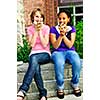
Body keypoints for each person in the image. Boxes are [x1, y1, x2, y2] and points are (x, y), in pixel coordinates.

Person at [17, 8, 51, 100]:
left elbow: (44, 44)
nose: (39, 19)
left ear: (43, 18)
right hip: (34, 54)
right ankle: (43, 94)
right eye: (36, 16)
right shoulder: (30, 28)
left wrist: (40, 30)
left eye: (40, 17)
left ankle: (23, 89)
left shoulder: (46, 28)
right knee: (35, 66)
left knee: (34, 60)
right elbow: (31, 45)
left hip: (45, 54)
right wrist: (35, 30)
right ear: (33, 18)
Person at [50, 10, 82, 99]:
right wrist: (60, 35)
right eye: (60, 18)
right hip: (57, 52)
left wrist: (64, 35)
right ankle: (60, 87)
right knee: (59, 63)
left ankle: (75, 83)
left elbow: (70, 45)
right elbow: (55, 46)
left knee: (77, 61)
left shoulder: (72, 29)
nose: (61, 20)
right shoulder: (53, 29)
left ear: (68, 19)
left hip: (70, 51)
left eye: (64, 18)